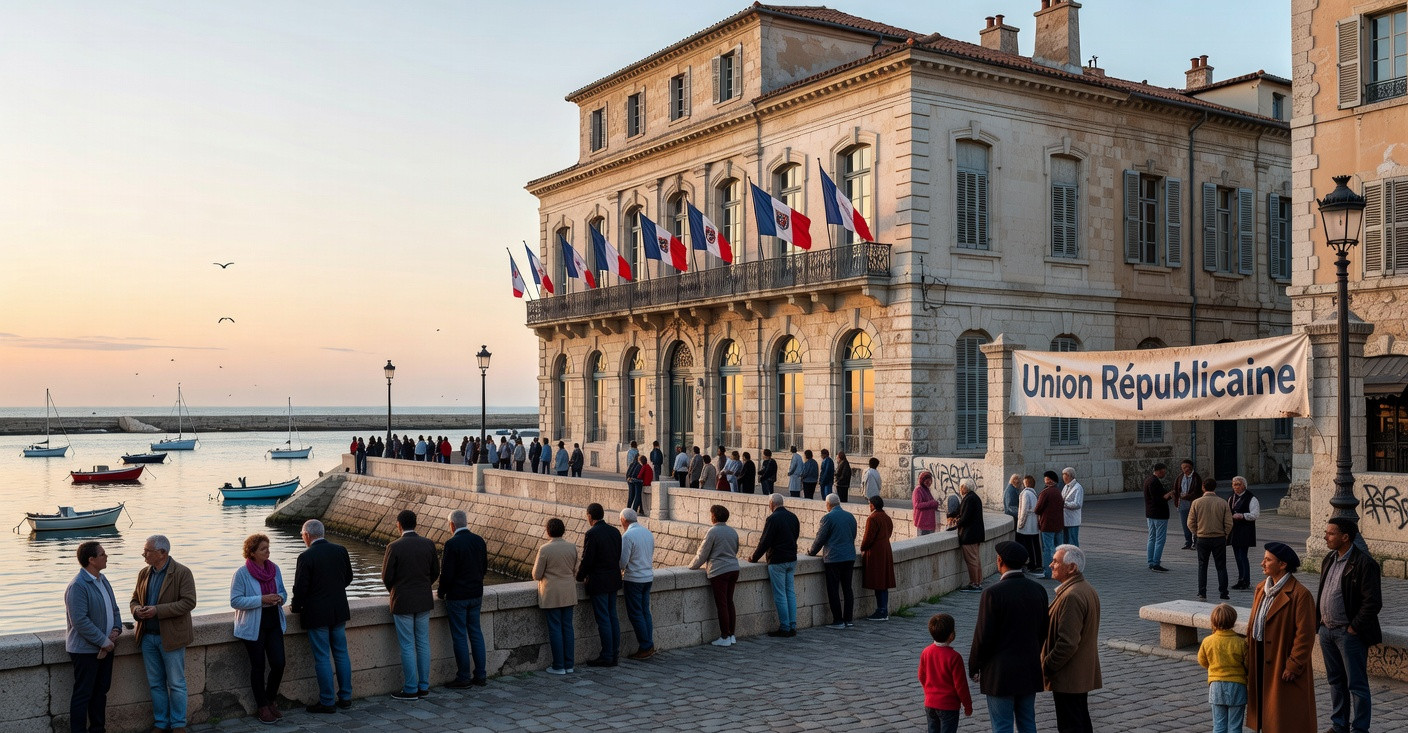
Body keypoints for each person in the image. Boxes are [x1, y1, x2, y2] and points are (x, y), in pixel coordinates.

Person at [969, 541, 1047, 733]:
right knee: (1028, 722)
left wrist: (974, 666)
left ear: (1000, 560)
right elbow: (1043, 630)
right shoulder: (1038, 590)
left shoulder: (992, 593)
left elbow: (983, 635)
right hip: (1029, 668)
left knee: (1002, 724)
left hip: (1000, 672)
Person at [1317, 517, 1382, 733]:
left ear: (1345, 537)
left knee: (1356, 684)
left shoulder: (1364, 563)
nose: (1326, 536)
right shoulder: (1329, 558)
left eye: (1331, 533)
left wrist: (1354, 627)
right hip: (1327, 631)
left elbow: (1372, 602)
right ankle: (1339, 724)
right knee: (1336, 681)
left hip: (1348, 634)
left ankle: (1360, 728)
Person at [1246, 541, 1317, 733]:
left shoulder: (1301, 595)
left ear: (1282, 564)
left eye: (1268, 560)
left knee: (1284, 716)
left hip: (1280, 659)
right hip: (1260, 656)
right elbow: (1253, 623)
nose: (1262, 563)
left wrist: (1294, 664)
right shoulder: (1261, 588)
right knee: (1264, 709)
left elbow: (1305, 635)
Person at [131, 534, 197, 733]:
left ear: (162, 553)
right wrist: (136, 611)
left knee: (176, 683)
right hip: (147, 637)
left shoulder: (182, 572)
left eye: (147, 551)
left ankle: (178, 724)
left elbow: (189, 602)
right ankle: (161, 723)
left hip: (171, 637)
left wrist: (157, 611)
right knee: (155, 684)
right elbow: (134, 599)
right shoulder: (144, 573)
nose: (144, 554)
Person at [292, 519, 353, 712]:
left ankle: (327, 701)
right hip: (338, 610)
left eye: (302, 535)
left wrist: (295, 606)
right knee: (342, 654)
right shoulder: (340, 550)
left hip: (317, 614)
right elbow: (348, 577)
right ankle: (345, 697)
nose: (303, 538)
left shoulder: (305, 557)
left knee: (322, 657)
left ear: (308, 535)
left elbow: (300, 588)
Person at [1042, 544, 1101, 733]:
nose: (1051, 565)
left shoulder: (1071, 596)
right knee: (1080, 720)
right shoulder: (1085, 588)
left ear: (1072, 568)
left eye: (1056, 562)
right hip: (1077, 674)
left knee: (1071, 724)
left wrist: (1047, 666)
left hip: (1069, 676)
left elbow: (1067, 643)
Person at [229, 534, 287, 724]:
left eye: (268, 547)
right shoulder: (242, 573)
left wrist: (280, 598)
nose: (268, 551)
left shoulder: (275, 569)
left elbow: (284, 592)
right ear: (252, 553)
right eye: (263, 549)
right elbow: (235, 601)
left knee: (279, 663)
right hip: (253, 625)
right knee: (258, 667)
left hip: (273, 621)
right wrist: (261, 599)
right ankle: (262, 706)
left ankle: (270, 700)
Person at [382, 509, 439, 701]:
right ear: (416, 524)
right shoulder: (428, 544)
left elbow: (386, 577)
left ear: (399, 524)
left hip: (403, 601)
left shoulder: (394, 547)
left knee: (407, 645)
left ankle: (410, 688)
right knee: (423, 642)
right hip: (423, 599)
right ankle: (424, 686)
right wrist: (423, 586)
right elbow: (435, 572)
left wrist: (397, 590)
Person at [66, 541, 122, 733]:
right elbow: (80, 621)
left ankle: (98, 730)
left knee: (101, 693)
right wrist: (104, 641)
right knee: (83, 694)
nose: (107, 557)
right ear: (91, 560)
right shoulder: (78, 586)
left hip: (107, 647)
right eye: (103, 554)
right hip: (86, 651)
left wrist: (116, 629)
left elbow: (114, 609)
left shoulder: (103, 580)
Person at [439, 509, 488, 689]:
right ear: (466, 522)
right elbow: (484, 568)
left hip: (457, 597)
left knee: (460, 636)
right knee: (476, 633)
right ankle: (481, 675)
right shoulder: (479, 540)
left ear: (452, 525)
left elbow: (446, 574)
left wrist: (441, 592)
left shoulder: (452, 544)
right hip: (476, 594)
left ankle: (463, 677)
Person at [577, 502, 622, 666]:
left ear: (589, 516)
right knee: (613, 617)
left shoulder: (592, 533)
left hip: (599, 582)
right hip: (613, 579)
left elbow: (587, 560)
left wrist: (579, 577)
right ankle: (615, 653)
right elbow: (618, 555)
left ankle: (607, 655)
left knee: (603, 619)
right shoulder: (615, 531)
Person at [750, 493, 801, 637]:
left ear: (772, 504)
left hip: (778, 560)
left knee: (780, 595)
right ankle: (792, 625)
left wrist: (754, 558)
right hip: (792, 558)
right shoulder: (793, 517)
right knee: (790, 592)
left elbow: (765, 541)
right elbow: (795, 535)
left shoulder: (772, 519)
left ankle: (784, 627)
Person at [690, 504, 740, 646]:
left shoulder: (713, 532)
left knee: (722, 604)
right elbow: (735, 549)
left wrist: (692, 566)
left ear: (714, 516)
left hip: (719, 571)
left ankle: (724, 637)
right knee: (730, 602)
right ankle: (732, 635)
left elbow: (702, 553)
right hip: (733, 568)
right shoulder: (733, 531)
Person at [532, 518, 578, 675]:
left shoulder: (545, 549)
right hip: (569, 592)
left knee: (555, 629)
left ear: (548, 531)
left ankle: (559, 665)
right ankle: (569, 664)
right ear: (563, 530)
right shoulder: (572, 547)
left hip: (551, 593)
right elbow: (575, 570)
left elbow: (536, 574)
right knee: (568, 628)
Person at [809, 493, 858, 628]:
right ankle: (848, 619)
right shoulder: (850, 516)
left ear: (828, 505)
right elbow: (853, 535)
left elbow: (820, 538)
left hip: (833, 558)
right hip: (849, 556)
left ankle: (838, 620)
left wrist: (812, 552)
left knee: (833, 589)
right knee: (848, 588)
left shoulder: (827, 518)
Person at [918, 613, 973, 733]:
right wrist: (967, 705)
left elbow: (921, 676)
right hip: (949, 705)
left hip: (930, 703)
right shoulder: (954, 657)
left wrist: (929, 690)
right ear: (951, 635)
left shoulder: (926, 652)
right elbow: (961, 685)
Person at [1198, 603, 1247, 733]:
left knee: (1219, 725)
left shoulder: (1207, 641)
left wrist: (1213, 667)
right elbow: (1248, 664)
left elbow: (1202, 660)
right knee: (1235, 726)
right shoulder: (1241, 642)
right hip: (1237, 685)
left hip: (1216, 686)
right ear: (1233, 621)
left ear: (1213, 621)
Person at [619, 508, 656, 660]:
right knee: (645, 611)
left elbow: (622, 562)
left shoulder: (627, 536)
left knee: (636, 613)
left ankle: (645, 646)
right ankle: (649, 644)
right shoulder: (647, 532)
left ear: (623, 521)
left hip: (634, 579)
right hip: (648, 577)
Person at [1188, 478, 1233, 601]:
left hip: (1202, 537)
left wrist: (1196, 532)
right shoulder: (1223, 502)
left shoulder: (1196, 503)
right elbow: (1229, 523)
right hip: (1219, 538)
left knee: (1202, 565)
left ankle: (1202, 592)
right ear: (1215, 487)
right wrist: (1225, 534)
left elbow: (1190, 522)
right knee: (1221, 566)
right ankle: (1223, 592)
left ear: (1203, 487)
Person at [860, 495, 895, 621]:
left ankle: (881, 610)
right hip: (886, 550)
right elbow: (889, 532)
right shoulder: (886, 517)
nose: (869, 507)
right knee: (883, 583)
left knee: (878, 582)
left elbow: (868, 537)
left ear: (873, 505)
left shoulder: (872, 518)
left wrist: (862, 548)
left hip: (876, 553)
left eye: (870, 504)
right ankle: (883, 609)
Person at [1227, 476, 1260, 589]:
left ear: (1244, 486)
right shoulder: (1231, 498)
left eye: (1238, 484)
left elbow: (1255, 514)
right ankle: (1240, 579)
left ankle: (1246, 580)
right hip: (1234, 530)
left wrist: (1242, 516)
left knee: (1243, 555)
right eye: (1234, 484)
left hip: (1245, 530)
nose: (1235, 487)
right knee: (1237, 556)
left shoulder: (1251, 498)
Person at [1034, 471, 1066, 579]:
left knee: (1047, 549)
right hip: (1059, 524)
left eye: (1045, 478)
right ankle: (1060, 571)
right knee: (1059, 548)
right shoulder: (1058, 492)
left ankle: (1048, 572)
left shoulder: (1045, 493)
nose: (1044, 480)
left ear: (1049, 480)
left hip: (1047, 525)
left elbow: (1037, 509)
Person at [1142, 463, 1173, 572]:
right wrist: (1168, 495)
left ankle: (1151, 561)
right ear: (1159, 471)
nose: (1164, 474)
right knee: (1160, 539)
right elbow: (1159, 499)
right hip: (1159, 514)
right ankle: (1156, 563)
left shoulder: (1148, 480)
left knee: (1152, 537)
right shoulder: (1155, 482)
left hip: (1150, 514)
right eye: (1163, 472)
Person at [956, 478, 985, 592]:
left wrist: (957, 522)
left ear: (964, 487)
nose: (960, 489)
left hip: (969, 535)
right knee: (976, 559)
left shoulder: (969, 499)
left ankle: (974, 584)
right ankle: (978, 581)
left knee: (972, 560)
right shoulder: (974, 497)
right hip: (975, 534)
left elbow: (966, 517)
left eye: (961, 487)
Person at [1174, 459, 1204, 550]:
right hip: (1182, 503)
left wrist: (1187, 496)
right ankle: (1188, 542)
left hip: (1192, 502)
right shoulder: (1180, 477)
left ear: (1190, 467)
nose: (1184, 469)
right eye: (1183, 467)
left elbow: (1197, 492)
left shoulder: (1196, 477)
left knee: (1194, 523)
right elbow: (1176, 489)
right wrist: (1177, 498)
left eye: (1186, 467)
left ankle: (1196, 542)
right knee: (1185, 523)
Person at [1015, 475, 1043, 574]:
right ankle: (1038, 564)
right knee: (1035, 544)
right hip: (1033, 523)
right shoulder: (1034, 494)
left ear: (1026, 483)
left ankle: (1032, 564)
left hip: (1027, 524)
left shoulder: (1025, 493)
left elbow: (1024, 510)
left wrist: (1020, 524)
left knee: (1029, 545)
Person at [1059, 467, 1083, 547]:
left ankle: (1075, 557)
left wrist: (1064, 504)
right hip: (1065, 518)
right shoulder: (1066, 486)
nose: (1063, 478)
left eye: (1064, 476)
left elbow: (1078, 504)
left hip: (1073, 520)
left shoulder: (1078, 488)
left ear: (1069, 476)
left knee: (1073, 541)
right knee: (1065, 541)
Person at [912, 470, 939, 536]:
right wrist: (931, 503)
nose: (929, 483)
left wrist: (935, 503)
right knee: (922, 543)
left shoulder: (926, 489)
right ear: (923, 480)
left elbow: (931, 501)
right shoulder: (918, 490)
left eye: (930, 481)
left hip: (929, 522)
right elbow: (917, 505)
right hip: (922, 522)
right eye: (927, 481)